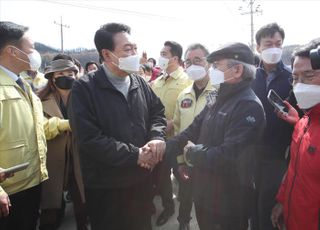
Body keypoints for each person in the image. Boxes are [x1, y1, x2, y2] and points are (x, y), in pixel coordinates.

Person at [68, 22, 166, 230]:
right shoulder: (84, 88)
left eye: (135, 48)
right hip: (107, 187)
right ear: (107, 54)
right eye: (127, 49)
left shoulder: (139, 83)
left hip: (141, 181)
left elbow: (157, 113)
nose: (135, 54)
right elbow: (90, 139)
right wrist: (135, 155)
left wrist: (156, 137)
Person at [166, 42, 266, 230]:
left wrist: (192, 153)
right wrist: (163, 148)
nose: (211, 70)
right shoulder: (219, 97)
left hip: (230, 201)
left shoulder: (248, 106)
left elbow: (228, 155)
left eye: (216, 66)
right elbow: (193, 129)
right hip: (205, 193)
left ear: (237, 70)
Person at [0, 21, 48, 230]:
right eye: (32, 48)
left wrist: (70, 124)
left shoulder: (22, 83)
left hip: (30, 181)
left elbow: (37, 126)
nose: (36, 54)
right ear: (12, 51)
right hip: (8, 193)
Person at [271, 38, 320, 230]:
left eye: (309, 75)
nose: (299, 85)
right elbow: (294, 170)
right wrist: (283, 201)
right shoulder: (303, 123)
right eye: (295, 78)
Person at [251, 22, 293, 230]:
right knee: (252, 204)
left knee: (269, 207)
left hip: (277, 156)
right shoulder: (249, 77)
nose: (274, 49)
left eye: (278, 44)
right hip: (250, 153)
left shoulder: (292, 78)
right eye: (268, 44)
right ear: (258, 47)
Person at [37, 58, 88, 230]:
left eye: (70, 73)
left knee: (82, 200)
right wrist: (66, 124)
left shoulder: (85, 96)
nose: (66, 77)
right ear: (52, 77)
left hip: (80, 156)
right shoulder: (39, 99)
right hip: (53, 158)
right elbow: (39, 128)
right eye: (60, 74)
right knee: (50, 205)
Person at [173, 43, 217, 230]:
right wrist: (180, 161)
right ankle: (184, 223)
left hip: (212, 165)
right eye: (188, 62)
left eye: (197, 60)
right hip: (188, 163)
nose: (193, 66)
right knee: (186, 197)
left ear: (209, 62)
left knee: (210, 211)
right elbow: (177, 129)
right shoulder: (184, 95)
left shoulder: (220, 92)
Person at [151, 40, 192, 226]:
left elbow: (189, 111)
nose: (160, 57)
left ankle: (185, 215)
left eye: (164, 54)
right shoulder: (156, 82)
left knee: (183, 178)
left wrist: (172, 124)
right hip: (159, 139)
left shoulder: (187, 81)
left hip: (179, 140)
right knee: (162, 179)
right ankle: (168, 208)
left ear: (175, 58)